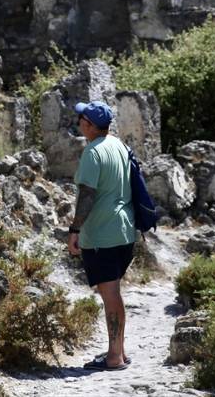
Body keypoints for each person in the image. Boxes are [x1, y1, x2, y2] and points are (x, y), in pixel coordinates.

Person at [66, 100, 135, 371]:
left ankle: (115, 357)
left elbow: (87, 195)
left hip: (103, 235)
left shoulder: (93, 153)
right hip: (124, 231)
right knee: (114, 292)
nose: (79, 122)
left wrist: (74, 230)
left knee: (110, 295)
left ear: (89, 125)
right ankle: (119, 351)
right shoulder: (119, 145)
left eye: (82, 118)